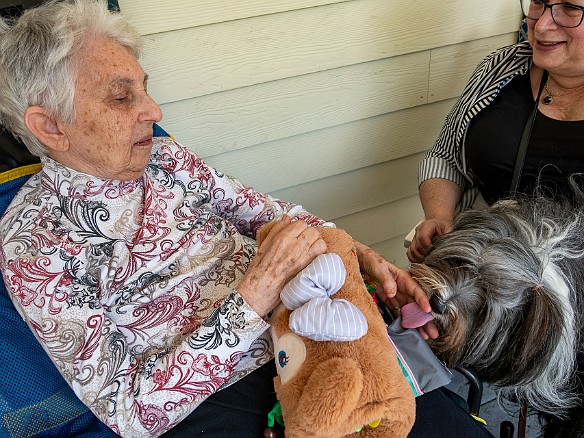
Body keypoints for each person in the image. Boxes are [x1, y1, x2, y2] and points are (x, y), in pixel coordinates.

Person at [0, 1, 429, 437]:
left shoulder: (163, 158)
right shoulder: (34, 244)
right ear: (49, 126)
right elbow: (127, 411)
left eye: (144, 88)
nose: (154, 112)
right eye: (120, 96)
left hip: (313, 325)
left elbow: (278, 216)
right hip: (215, 395)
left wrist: (362, 258)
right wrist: (255, 295)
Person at [408, 0, 584, 263]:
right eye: (538, 2)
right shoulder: (502, 67)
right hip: (479, 261)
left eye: (570, 8)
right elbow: (445, 156)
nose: (541, 25)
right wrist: (440, 216)